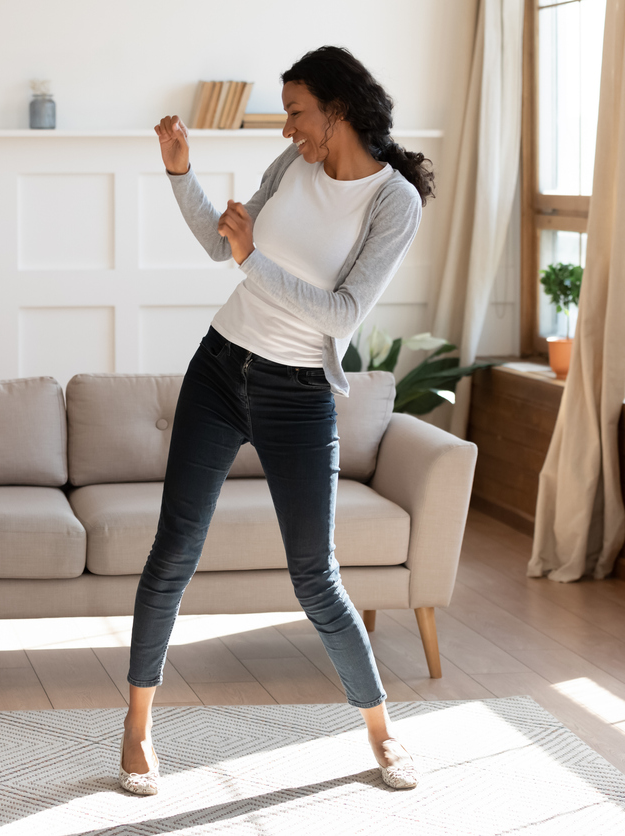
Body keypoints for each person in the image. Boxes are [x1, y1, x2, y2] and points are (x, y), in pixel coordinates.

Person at [119, 45, 435, 797]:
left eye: (296, 111)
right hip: (222, 367)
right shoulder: (290, 167)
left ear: (339, 109)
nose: (287, 127)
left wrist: (253, 258)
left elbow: (343, 314)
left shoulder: (395, 203)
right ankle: (136, 730)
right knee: (173, 551)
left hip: (299, 394)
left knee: (315, 576)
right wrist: (179, 170)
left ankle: (383, 733)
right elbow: (218, 244)